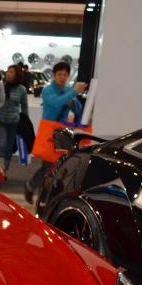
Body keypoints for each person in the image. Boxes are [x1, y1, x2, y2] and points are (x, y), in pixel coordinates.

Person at [23, 61, 87, 204]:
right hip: (49, 131)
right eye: (59, 74)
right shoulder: (48, 90)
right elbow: (55, 103)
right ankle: (37, 191)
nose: (62, 77)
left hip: (62, 132)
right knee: (48, 165)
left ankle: (39, 192)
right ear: (54, 75)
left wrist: (74, 103)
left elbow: (77, 109)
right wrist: (73, 93)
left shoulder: (68, 90)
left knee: (59, 165)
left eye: (65, 74)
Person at [0, 64, 29, 171]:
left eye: (11, 72)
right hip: (1, 120)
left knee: (9, 147)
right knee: (1, 145)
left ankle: (4, 169)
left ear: (17, 75)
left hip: (14, 122)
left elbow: (24, 106)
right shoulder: (0, 86)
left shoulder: (22, 89)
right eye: (8, 71)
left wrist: (26, 122)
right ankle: (0, 169)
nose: (8, 74)